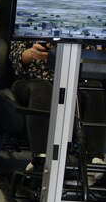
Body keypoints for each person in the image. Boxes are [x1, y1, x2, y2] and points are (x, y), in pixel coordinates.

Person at [10, 40, 106, 178]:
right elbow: (16, 56)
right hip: (30, 81)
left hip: (72, 81)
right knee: (43, 89)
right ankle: (41, 158)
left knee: (94, 86)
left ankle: (96, 159)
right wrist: (31, 53)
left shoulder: (79, 31)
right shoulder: (28, 27)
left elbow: (90, 55)